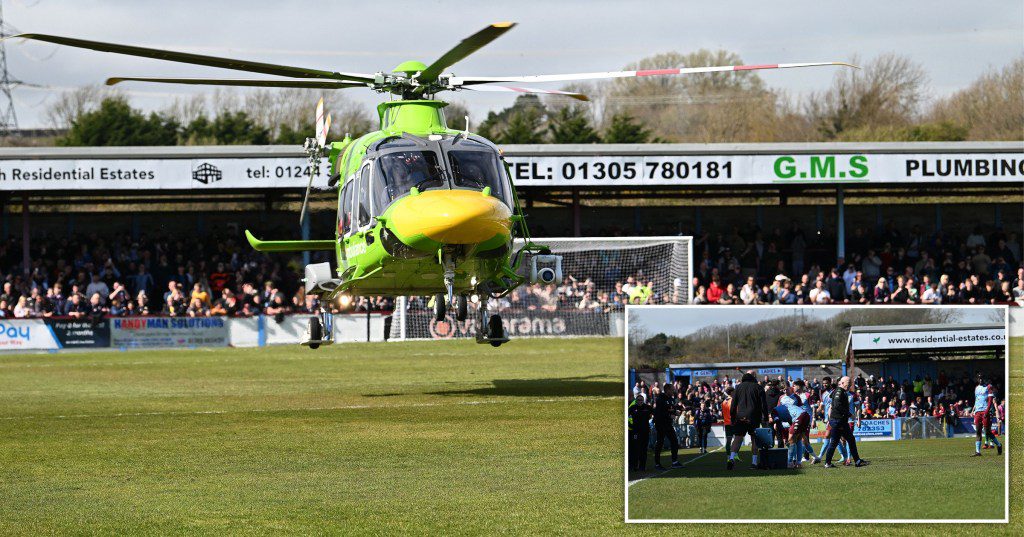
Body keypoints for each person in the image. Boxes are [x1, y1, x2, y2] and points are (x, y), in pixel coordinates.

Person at [822, 376, 869, 468]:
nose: (850, 384)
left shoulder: (839, 391)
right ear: (842, 383)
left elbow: (832, 400)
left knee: (843, 440)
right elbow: (837, 405)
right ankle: (856, 461)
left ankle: (856, 461)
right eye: (848, 382)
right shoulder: (839, 392)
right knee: (842, 441)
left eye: (850, 382)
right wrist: (849, 414)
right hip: (838, 421)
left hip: (839, 420)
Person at [727, 370, 769, 470]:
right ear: (754, 376)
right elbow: (764, 405)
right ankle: (754, 462)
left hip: (740, 416)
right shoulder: (758, 387)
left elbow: (733, 405)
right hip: (754, 417)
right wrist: (766, 418)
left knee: (737, 438)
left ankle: (731, 458)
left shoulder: (738, 387)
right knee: (754, 439)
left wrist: (733, 418)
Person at [653, 384, 683, 470]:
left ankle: (674, 462)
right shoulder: (660, 398)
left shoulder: (671, 399)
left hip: (668, 424)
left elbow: (671, 409)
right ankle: (657, 464)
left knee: (674, 441)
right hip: (660, 424)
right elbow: (659, 413)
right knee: (660, 443)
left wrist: (675, 412)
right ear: (667, 390)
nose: (673, 391)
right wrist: (669, 415)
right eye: (672, 389)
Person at [971, 377, 1003, 456]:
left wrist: (987, 410)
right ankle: (977, 452)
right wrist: (973, 410)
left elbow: (990, 400)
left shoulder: (989, 387)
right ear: (977, 380)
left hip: (986, 411)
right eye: (979, 379)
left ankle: (999, 445)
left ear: (984, 379)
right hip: (978, 412)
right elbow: (977, 399)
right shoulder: (976, 388)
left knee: (987, 432)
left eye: (982, 378)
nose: (981, 380)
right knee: (978, 431)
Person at [628, 392, 653, 471]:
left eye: (641, 400)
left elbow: (655, 413)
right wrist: (631, 426)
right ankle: (634, 466)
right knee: (635, 449)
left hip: (645, 431)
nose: (640, 401)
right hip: (635, 432)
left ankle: (642, 466)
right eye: (638, 400)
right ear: (636, 400)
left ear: (643, 400)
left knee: (644, 449)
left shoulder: (647, 407)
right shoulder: (632, 408)